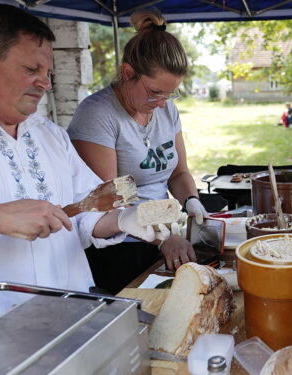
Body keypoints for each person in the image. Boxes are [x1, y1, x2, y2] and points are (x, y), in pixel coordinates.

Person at [0, 4, 164, 355]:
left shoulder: (51, 136)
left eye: (48, 71)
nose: (45, 82)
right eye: (32, 68)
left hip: (70, 327)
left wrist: (125, 220)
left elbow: (83, 213)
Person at [68, 10, 206, 293]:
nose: (161, 103)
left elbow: (178, 172)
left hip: (163, 234)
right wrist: (164, 237)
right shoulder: (98, 115)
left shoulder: (166, 110)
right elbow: (107, 203)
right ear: (128, 73)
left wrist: (191, 201)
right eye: (155, 92)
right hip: (119, 247)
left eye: (169, 94)